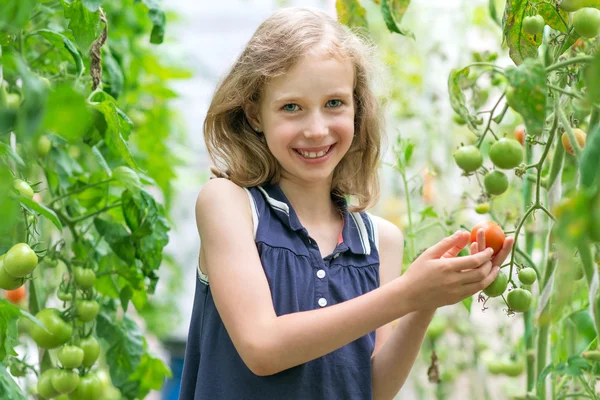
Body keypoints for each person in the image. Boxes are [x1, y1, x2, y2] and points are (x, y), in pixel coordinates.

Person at [179, 7, 514, 400]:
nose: (316, 129)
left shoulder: (380, 240)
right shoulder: (229, 205)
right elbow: (262, 348)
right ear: (254, 114)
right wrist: (408, 293)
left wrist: (426, 301)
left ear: (358, 108)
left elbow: (374, 387)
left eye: (334, 103)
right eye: (291, 107)